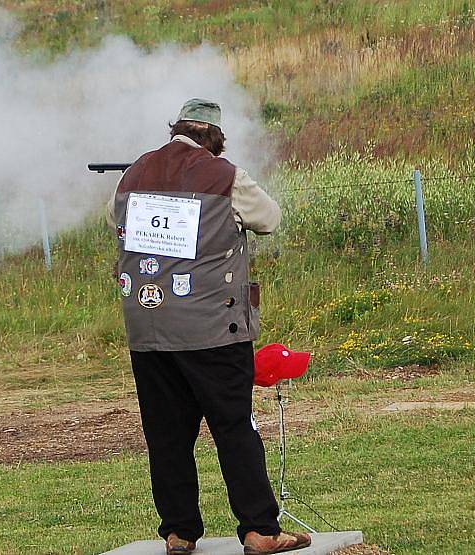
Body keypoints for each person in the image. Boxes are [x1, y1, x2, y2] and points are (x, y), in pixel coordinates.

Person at [106, 99, 311, 554]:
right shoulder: (225, 175)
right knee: (234, 428)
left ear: (176, 129)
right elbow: (269, 219)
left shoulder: (133, 174)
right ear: (214, 138)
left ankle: (179, 532)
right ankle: (260, 528)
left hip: (148, 330)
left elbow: (114, 221)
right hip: (213, 329)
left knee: (166, 436)